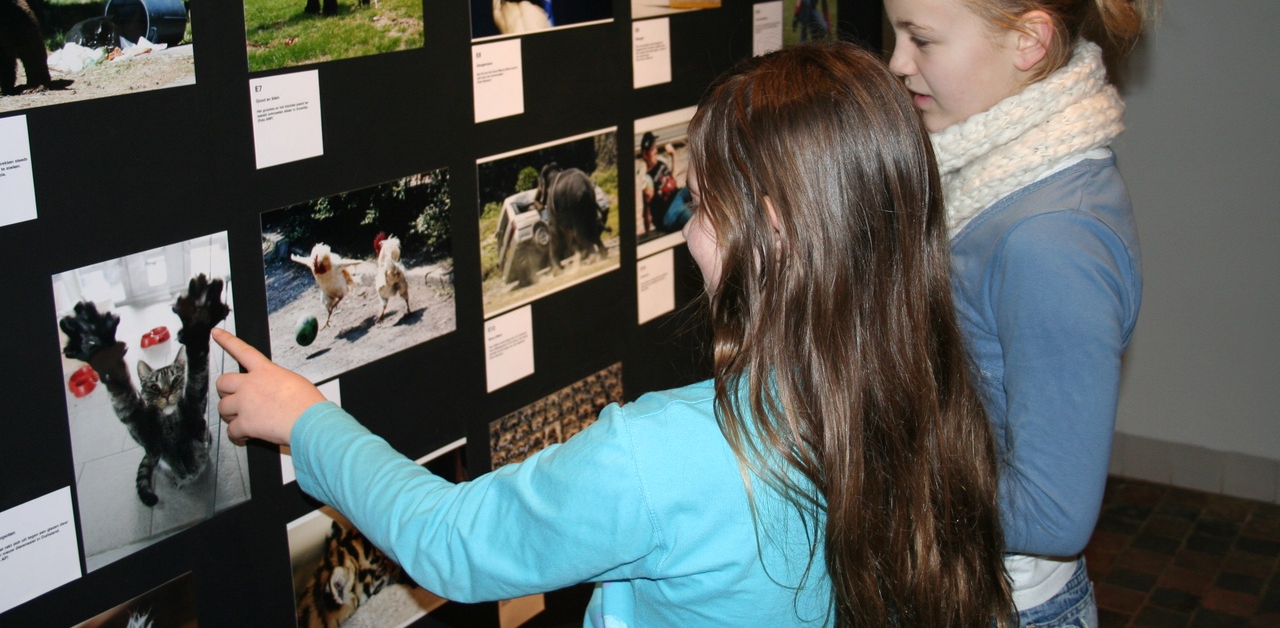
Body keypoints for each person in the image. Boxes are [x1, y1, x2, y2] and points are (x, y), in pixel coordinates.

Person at [214, 44, 1013, 628]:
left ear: (768, 230)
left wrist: (304, 418)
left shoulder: (665, 454)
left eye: (702, 208)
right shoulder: (932, 394)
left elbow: (451, 540)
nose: (689, 233)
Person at [880, 0, 1162, 627]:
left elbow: (1056, 508)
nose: (898, 63)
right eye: (897, 35)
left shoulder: (1049, 238)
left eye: (923, 39)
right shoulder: (1004, 179)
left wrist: (868, 476)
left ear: (1029, 40)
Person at [637, 130, 691, 234]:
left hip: (678, 195)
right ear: (645, 155)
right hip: (669, 209)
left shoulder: (661, 162)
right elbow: (647, 208)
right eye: (653, 149)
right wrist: (648, 232)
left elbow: (672, 178)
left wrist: (673, 155)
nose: (656, 151)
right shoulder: (647, 178)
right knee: (692, 219)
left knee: (701, 189)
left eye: (655, 147)